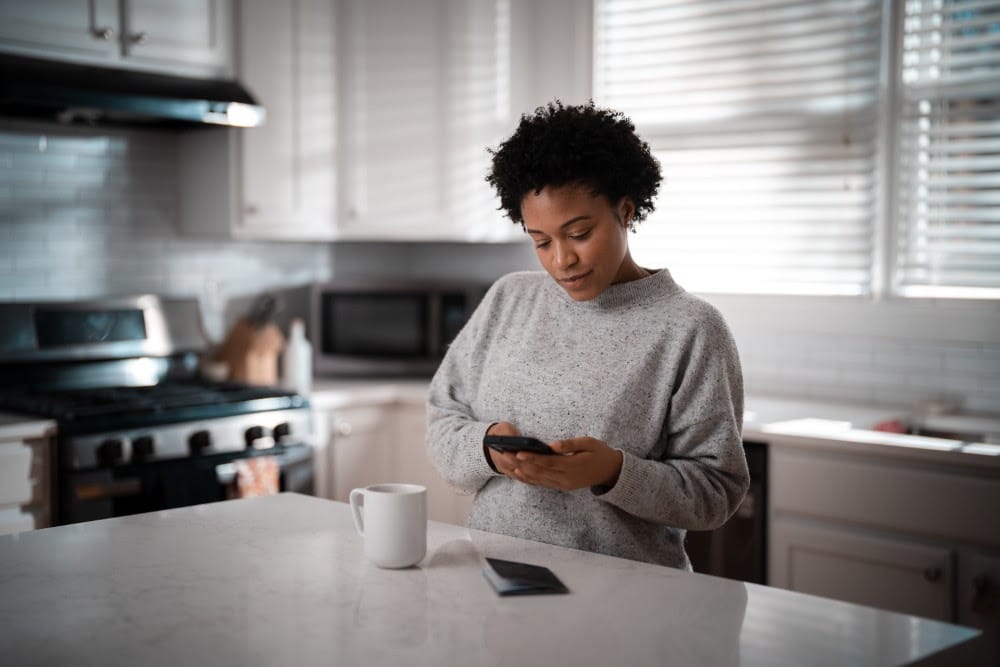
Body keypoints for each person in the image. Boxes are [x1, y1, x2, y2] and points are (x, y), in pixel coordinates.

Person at [425, 101, 749, 569]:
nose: (562, 260)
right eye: (541, 241)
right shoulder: (508, 299)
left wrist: (614, 472)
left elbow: (715, 493)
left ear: (625, 210)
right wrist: (487, 447)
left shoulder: (691, 329)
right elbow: (442, 419)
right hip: (497, 584)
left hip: (625, 603)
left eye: (579, 233)